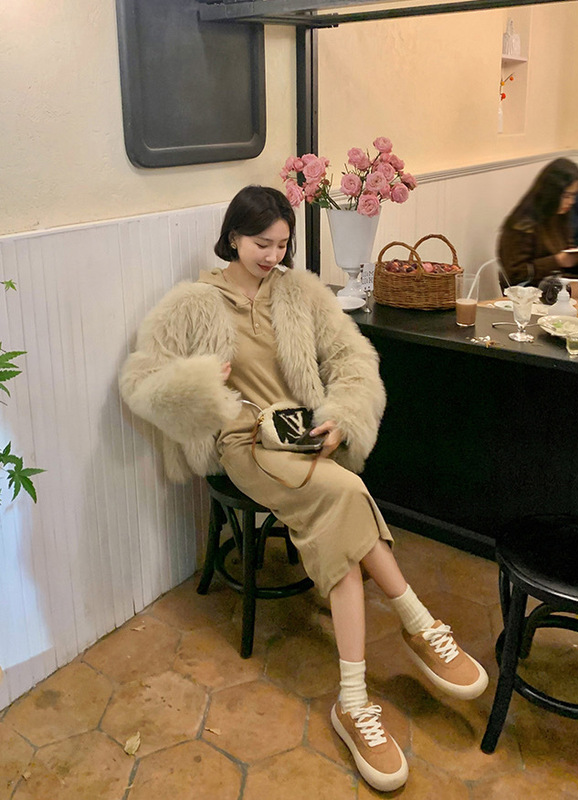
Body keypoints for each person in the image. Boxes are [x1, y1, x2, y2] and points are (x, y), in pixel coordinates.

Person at [120, 185, 488, 793]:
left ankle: (355, 700)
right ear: (233, 237)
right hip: (243, 443)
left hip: (300, 435)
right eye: (261, 243)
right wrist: (198, 381)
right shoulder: (192, 304)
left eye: (282, 244)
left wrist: (342, 417)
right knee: (344, 494)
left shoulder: (300, 292)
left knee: (339, 507)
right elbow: (140, 381)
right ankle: (416, 624)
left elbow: (352, 357)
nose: (273, 256)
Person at [497, 158, 578, 297]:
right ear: (551, 193)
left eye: (574, 195)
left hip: (554, 281)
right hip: (530, 290)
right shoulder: (522, 224)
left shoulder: (558, 217)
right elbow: (516, 274)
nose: (571, 201)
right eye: (567, 196)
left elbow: (565, 253)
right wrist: (558, 260)